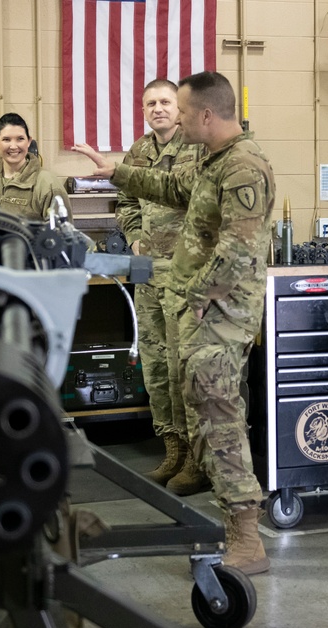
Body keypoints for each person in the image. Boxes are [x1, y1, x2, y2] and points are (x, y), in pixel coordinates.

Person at [73, 71, 275, 575]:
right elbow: (169, 185)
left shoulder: (243, 167)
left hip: (221, 315)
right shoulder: (213, 161)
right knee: (203, 410)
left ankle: (247, 539)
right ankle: (231, 522)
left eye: (182, 111)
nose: (177, 119)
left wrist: (198, 296)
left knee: (221, 420)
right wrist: (115, 171)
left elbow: (240, 251)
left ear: (206, 114)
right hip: (201, 308)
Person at [116, 79, 207, 495]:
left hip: (185, 274)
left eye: (165, 102)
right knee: (153, 364)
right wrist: (134, 235)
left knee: (180, 365)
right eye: (150, 102)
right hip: (146, 270)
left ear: (179, 106)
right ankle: (171, 449)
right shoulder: (138, 151)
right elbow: (126, 201)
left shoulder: (198, 146)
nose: (158, 108)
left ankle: (195, 458)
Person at [0, 112, 73, 224]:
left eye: (20, 139)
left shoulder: (48, 185)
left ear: (29, 142)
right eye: (6, 139)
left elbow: (64, 236)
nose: (13, 146)